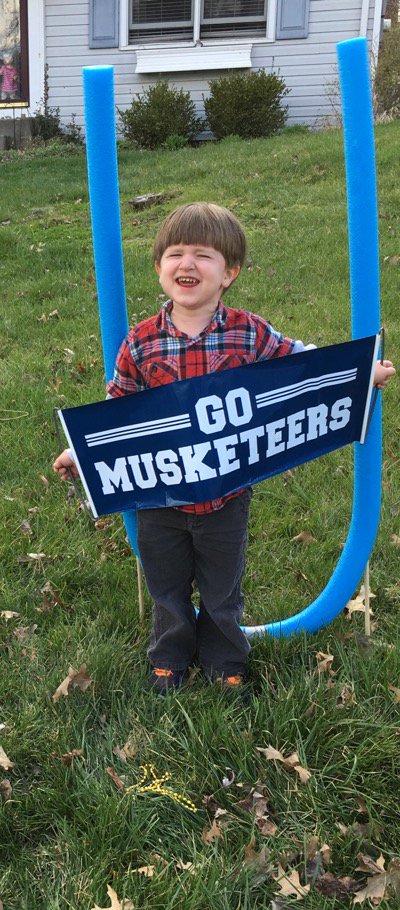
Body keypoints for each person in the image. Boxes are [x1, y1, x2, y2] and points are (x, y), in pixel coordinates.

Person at [54, 202, 395, 695]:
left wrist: (361, 374)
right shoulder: (141, 343)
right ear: (158, 267)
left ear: (229, 272)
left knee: (221, 588)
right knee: (166, 586)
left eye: (202, 255)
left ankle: (224, 658)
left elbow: (304, 366)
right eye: (174, 254)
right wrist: (79, 453)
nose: (186, 265)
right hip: (160, 495)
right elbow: (117, 414)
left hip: (226, 496)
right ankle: (169, 653)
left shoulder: (249, 332)